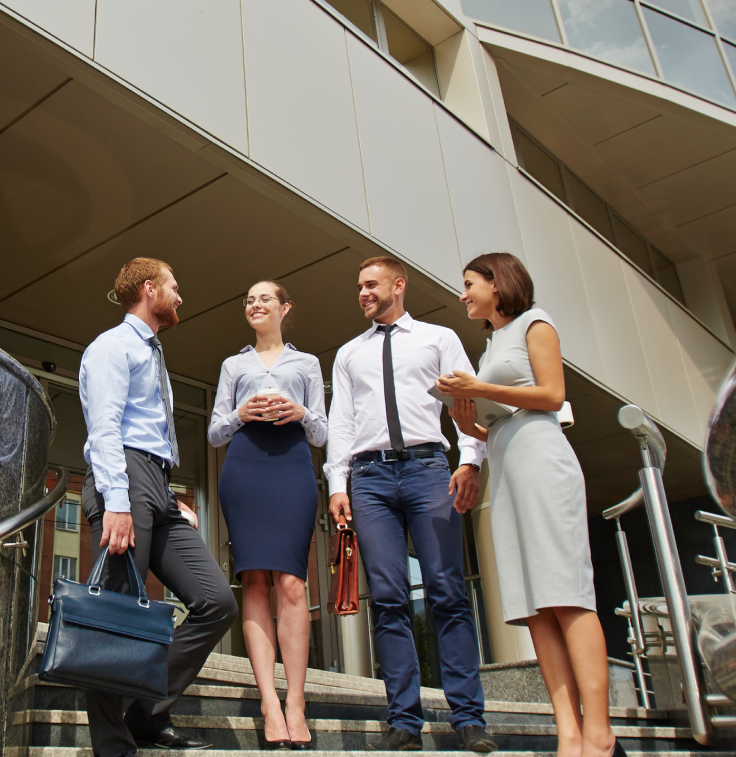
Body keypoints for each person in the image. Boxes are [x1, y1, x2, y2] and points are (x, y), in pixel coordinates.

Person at [437, 253, 622, 757]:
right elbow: (489, 424)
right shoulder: (492, 343)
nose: (463, 294)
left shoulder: (534, 323)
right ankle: (568, 733)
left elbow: (552, 393)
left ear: (498, 284)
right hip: (506, 466)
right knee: (536, 607)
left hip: (542, 458)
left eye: (470, 284)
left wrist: (478, 387)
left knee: (566, 593)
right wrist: (464, 413)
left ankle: (600, 733)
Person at [325, 256, 496, 753]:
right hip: (370, 479)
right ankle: (403, 719)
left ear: (398, 286)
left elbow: (468, 403)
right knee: (390, 597)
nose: (362, 293)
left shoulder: (439, 339)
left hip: (428, 472)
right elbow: (342, 420)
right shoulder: (348, 353)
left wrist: (471, 462)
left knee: (447, 591)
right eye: (358, 286)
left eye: (371, 284)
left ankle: (469, 718)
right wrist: (338, 484)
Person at [80, 257, 239, 756]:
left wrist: (168, 496)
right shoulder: (114, 346)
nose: (180, 296)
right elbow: (105, 428)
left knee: (217, 602)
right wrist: (119, 501)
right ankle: (112, 744)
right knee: (116, 613)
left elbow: (149, 432)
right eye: (174, 286)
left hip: (155, 484)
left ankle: (146, 714)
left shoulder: (153, 354)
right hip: (123, 478)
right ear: (149, 289)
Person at [207, 280, 327, 749]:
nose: (255, 305)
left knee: (292, 583)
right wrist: (242, 412)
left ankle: (295, 701)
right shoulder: (233, 365)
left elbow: (322, 433)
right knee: (254, 579)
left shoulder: (308, 363)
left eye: (264, 299)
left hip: (293, 466)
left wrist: (299, 409)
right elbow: (216, 431)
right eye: (249, 300)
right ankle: (269, 703)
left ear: (284, 308)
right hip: (246, 467)